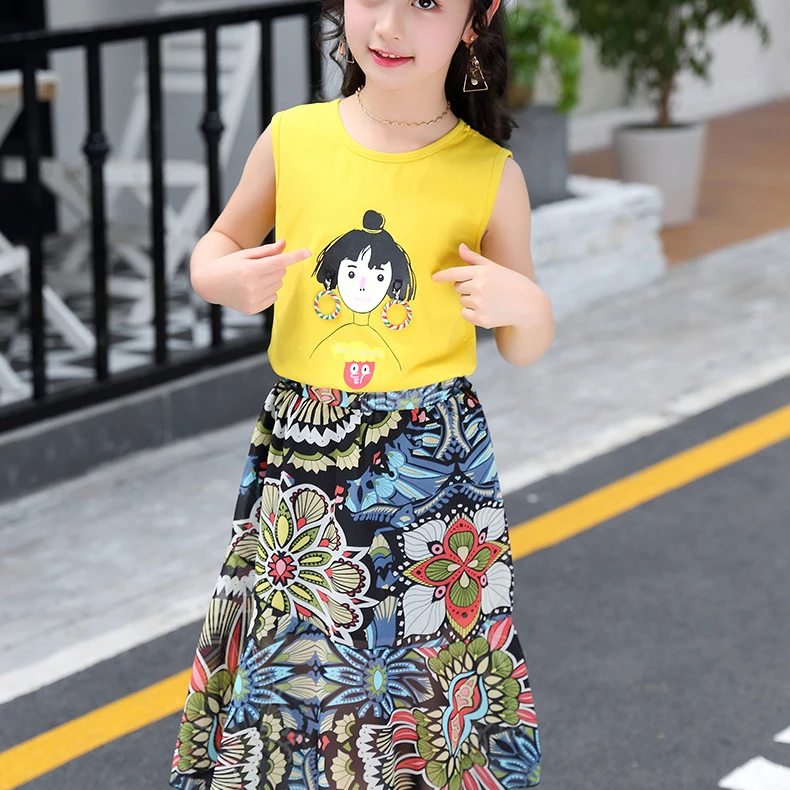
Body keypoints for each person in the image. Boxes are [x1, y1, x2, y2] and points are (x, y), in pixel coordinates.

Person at [168, 0, 555, 784]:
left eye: (425, 3)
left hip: (433, 460)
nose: (387, 26)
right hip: (305, 452)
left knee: (426, 671)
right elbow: (217, 243)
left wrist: (526, 306)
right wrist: (221, 277)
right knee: (295, 667)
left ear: (476, 20)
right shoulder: (294, 139)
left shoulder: (489, 174)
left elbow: (525, 343)